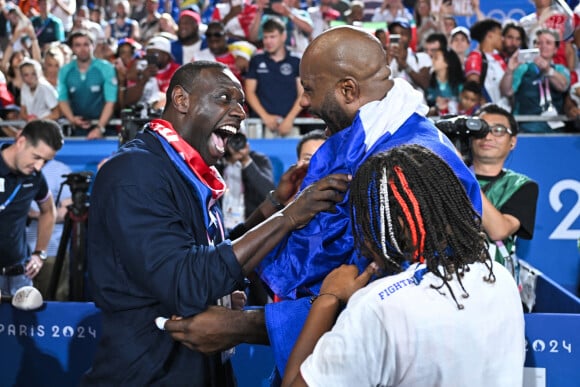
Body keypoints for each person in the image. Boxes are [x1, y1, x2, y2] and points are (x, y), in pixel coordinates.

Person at [163, 26, 482, 379]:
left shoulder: (405, 168)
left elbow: (393, 304)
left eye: (310, 90)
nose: (303, 103)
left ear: (348, 90)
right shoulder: (371, 142)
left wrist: (244, 326)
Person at [82, 61, 350, 386]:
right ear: (181, 100)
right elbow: (185, 281)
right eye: (225, 98)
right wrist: (290, 217)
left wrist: (273, 206)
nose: (239, 112)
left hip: (199, 370)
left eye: (241, 102)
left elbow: (210, 255)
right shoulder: (135, 172)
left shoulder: (181, 167)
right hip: (149, 374)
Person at [281, 144, 525, 386]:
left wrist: (327, 299)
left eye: (363, 218)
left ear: (384, 223)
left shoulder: (377, 307)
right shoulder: (496, 276)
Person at [473, 103, 539, 284]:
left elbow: (498, 230)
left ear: (513, 141)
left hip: (496, 286)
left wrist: (461, 175)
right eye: (481, 129)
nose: (488, 136)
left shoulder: (523, 186)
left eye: (499, 130)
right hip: (445, 282)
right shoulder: (442, 176)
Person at [0, 119, 64, 296]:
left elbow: (49, 211)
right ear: (21, 142)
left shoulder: (35, 177)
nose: (38, 166)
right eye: (36, 157)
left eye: (45, 161)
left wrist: (40, 253)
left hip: (20, 276)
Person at [500, 28, 570, 133]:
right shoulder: (523, 68)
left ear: (555, 49)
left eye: (548, 43)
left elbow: (563, 86)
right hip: (526, 127)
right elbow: (506, 91)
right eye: (539, 43)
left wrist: (548, 70)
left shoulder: (560, 69)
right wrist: (509, 71)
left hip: (556, 129)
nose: (543, 46)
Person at [245, 17, 303, 137]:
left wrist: (290, 119)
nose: (268, 41)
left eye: (272, 37)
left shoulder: (295, 61)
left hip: (291, 124)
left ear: (283, 36)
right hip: (260, 123)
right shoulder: (256, 60)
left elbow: (302, 94)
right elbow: (249, 92)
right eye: (265, 37)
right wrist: (265, 117)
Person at [26, 158, 72, 300]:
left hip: (52, 252)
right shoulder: (17, 169)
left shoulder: (61, 170)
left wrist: (36, 215)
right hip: (19, 253)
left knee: (54, 301)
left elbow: (67, 212)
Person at [58, 30, 117, 138]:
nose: (82, 49)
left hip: (105, 127)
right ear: (72, 48)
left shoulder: (106, 68)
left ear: (93, 46)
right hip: (77, 127)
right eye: (78, 45)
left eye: (86, 44)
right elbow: (62, 99)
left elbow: (110, 101)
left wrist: (100, 128)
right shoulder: (65, 71)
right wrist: (71, 119)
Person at [217, 132, 275, 229]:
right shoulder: (216, 161)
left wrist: (246, 161)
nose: (235, 142)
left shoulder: (259, 160)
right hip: (221, 226)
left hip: (249, 226)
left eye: (238, 138)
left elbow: (269, 193)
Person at [465, 19, 510, 110]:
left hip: (504, 109)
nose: (502, 39)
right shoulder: (475, 56)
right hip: (488, 111)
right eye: (500, 34)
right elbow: (473, 86)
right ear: (490, 35)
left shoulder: (501, 58)